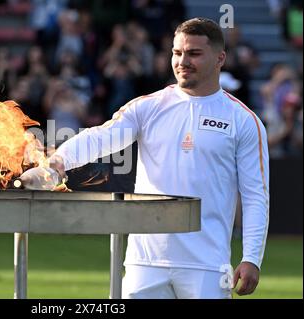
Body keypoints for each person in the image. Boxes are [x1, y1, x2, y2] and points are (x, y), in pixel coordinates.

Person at [44, 18, 269, 298]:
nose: (183, 61)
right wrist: (59, 161)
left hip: (208, 265)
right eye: (177, 53)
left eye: (194, 53)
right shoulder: (148, 106)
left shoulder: (244, 121)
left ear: (220, 58)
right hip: (144, 262)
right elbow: (100, 137)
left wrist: (252, 258)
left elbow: (255, 195)